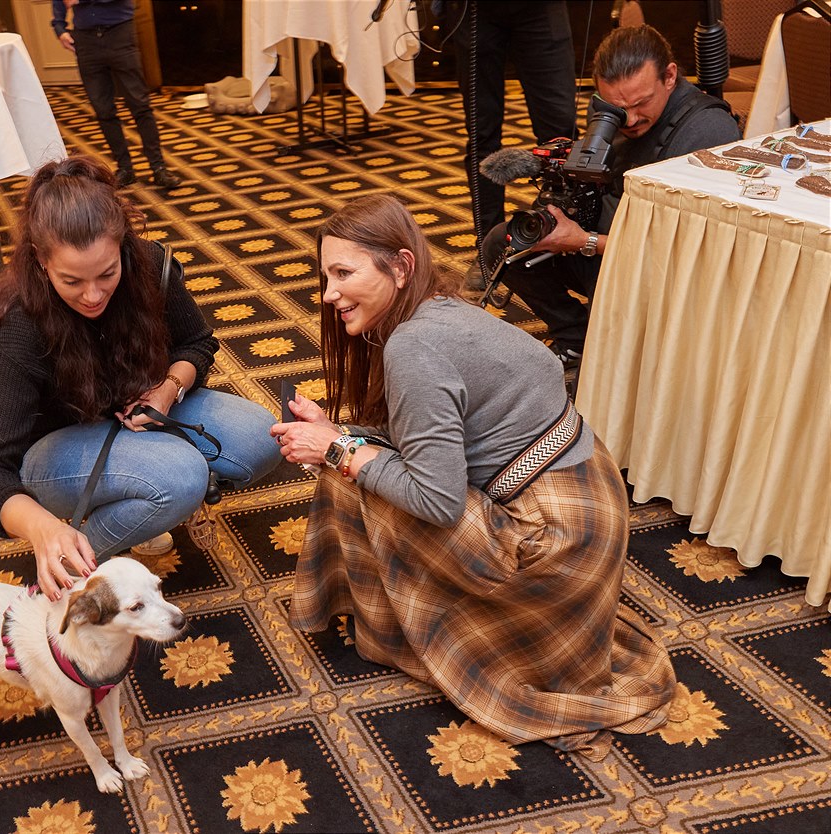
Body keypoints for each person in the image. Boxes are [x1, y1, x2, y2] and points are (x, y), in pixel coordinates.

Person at [271, 193, 676, 760]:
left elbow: (435, 500)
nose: (328, 293)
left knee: (346, 473)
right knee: (353, 455)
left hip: (552, 542)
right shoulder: (438, 308)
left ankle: (393, 629)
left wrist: (338, 448)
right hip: (589, 501)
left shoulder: (412, 344)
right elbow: (436, 440)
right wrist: (343, 435)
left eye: (343, 273)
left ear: (401, 266)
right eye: (326, 275)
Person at [0, 155, 280, 600]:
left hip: (139, 413)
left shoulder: (149, 266)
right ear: (40, 260)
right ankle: (74, 565)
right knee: (181, 476)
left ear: (123, 246)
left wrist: (168, 390)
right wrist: (42, 530)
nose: (93, 295)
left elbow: (198, 343)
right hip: (53, 449)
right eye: (71, 280)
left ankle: (139, 494)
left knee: (261, 440)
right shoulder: (19, 325)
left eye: (107, 274)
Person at [483, 24, 740, 362]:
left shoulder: (707, 129)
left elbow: (681, 248)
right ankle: (576, 337)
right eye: (618, 107)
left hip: (660, 267)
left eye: (641, 103)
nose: (630, 119)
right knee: (503, 243)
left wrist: (582, 242)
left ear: (670, 77)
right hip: (604, 241)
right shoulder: (609, 108)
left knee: (620, 287)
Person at [446, 1, 578, 256]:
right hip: (474, 11)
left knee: (560, 135)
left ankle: (563, 238)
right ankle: (488, 250)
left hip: (541, 10)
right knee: (482, 135)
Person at [51, 0, 182, 189]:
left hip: (119, 32)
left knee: (139, 104)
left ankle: (158, 168)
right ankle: (125, 170)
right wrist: (60, 28)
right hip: (85, 39)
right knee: (102, 109)